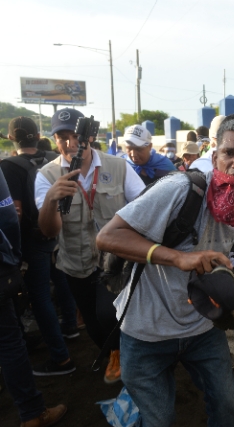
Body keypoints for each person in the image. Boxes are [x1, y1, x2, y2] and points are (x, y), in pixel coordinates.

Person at [96, 116, 234, 426]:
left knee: (229, 405)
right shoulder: (179, 190)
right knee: (159, 419)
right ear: (215, 157)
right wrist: (177, 258)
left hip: (202, 330)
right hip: (145, 331)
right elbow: (107, 237)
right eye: (229, 153)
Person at [35, 108, 146, 384]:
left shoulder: (119, 167)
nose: (70, 143)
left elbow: (144, 207)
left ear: (89, 136)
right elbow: (49, 231)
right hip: (75, 262)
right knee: (93, 323)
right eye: (62, 137)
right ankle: (113, 352)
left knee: (108, 313)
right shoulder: (46, 176)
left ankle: (133, 358)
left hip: (115, 261)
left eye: (75, 135)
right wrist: (51, 199)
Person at [0, 117, 78, 377]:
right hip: (57, 230)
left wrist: (13, 249)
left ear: (11, 138)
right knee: (61, 277)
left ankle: (60, 356)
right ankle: (70, 325)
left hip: (31, 239)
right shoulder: (51, 158)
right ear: (38, 135)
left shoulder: (9, 166)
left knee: (40, 295)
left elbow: (16, 212)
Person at [0, 168, 68, 427]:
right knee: (9, 341)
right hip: (15, 256)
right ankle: (32, 413)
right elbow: (7, 216)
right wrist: (13, 259)